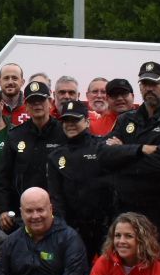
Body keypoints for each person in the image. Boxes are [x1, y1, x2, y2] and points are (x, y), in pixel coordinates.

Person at [99, 61, 160, 247]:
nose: (148, 88)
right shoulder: (126, 119)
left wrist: (123, 155)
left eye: (154, 83)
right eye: (144, 84)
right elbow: (103, 155)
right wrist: (139, 149)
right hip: (126, 211)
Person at [0, 79, 67, 230]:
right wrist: (3, 209)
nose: (37, 105)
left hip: (58, 213)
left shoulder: (64, 133)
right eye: (32, 102)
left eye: (41, 100)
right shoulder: (15, 135)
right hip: (23, 214)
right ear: (26, 107)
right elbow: (4, 177)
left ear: (50, 102)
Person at [46, 100, 113, 258]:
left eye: (75, 120)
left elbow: (113, 189)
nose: (70, 124)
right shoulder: (56, 156)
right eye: (66, 121)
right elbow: (56, 197)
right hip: (73, 229)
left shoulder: (103, 147)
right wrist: (64, 229)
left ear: (87, 121)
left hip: (104, 228)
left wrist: (111, 224)